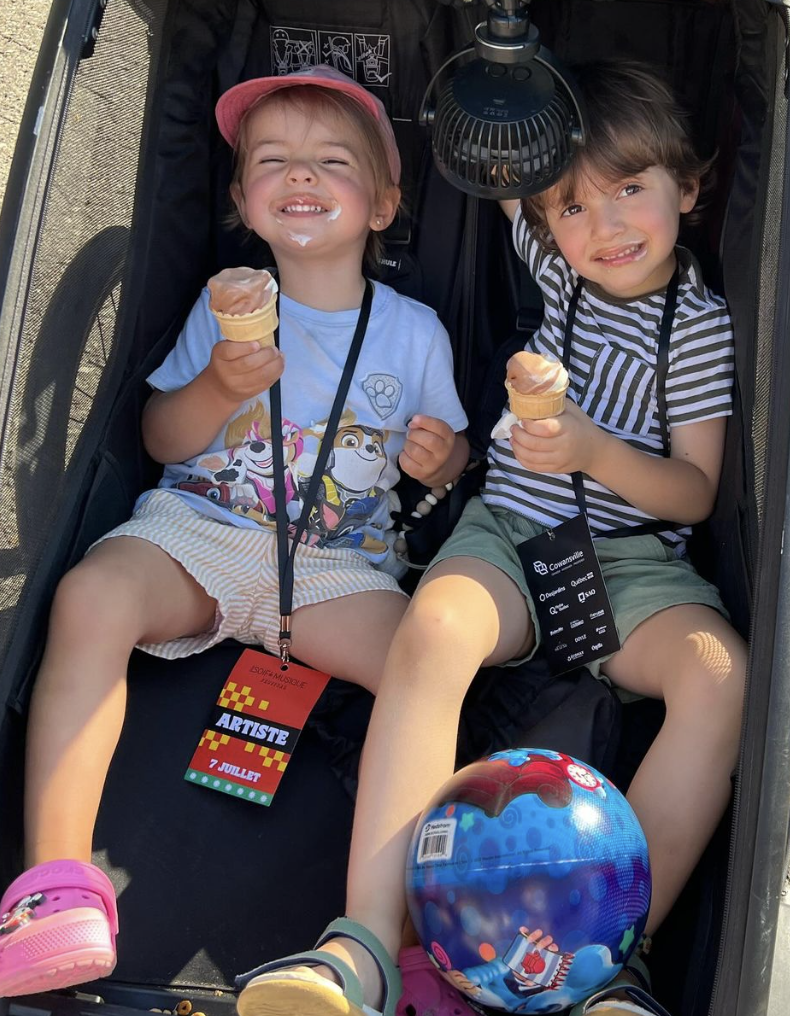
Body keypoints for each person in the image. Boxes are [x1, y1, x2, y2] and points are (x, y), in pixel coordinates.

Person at [235, 61, 746, 1016]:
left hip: (633, 561)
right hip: (511, 528)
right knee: (431, 630)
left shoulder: (700, 331)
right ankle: (363, 948)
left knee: (722, 677)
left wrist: (592, 450)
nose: (607, 228)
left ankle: (613, 966)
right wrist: (501, 52)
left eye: (631, 190)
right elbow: (504, 156)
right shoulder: (562, 264)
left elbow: (693, 494)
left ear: (689, 185)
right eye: (574, 209)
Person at [0, 64, 469, 998]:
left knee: (431, 666)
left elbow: (452, 460)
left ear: (382, 203)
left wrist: (438, 460)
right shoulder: (225, 304)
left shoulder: (413, 333)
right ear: (245, 200)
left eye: (331, 162)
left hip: (339, 567)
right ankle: (55, 888)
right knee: (92, 596)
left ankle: (405, 936)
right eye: (273, 161)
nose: (300, 176)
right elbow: (158, 437)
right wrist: (218, 386)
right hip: (204, 530)